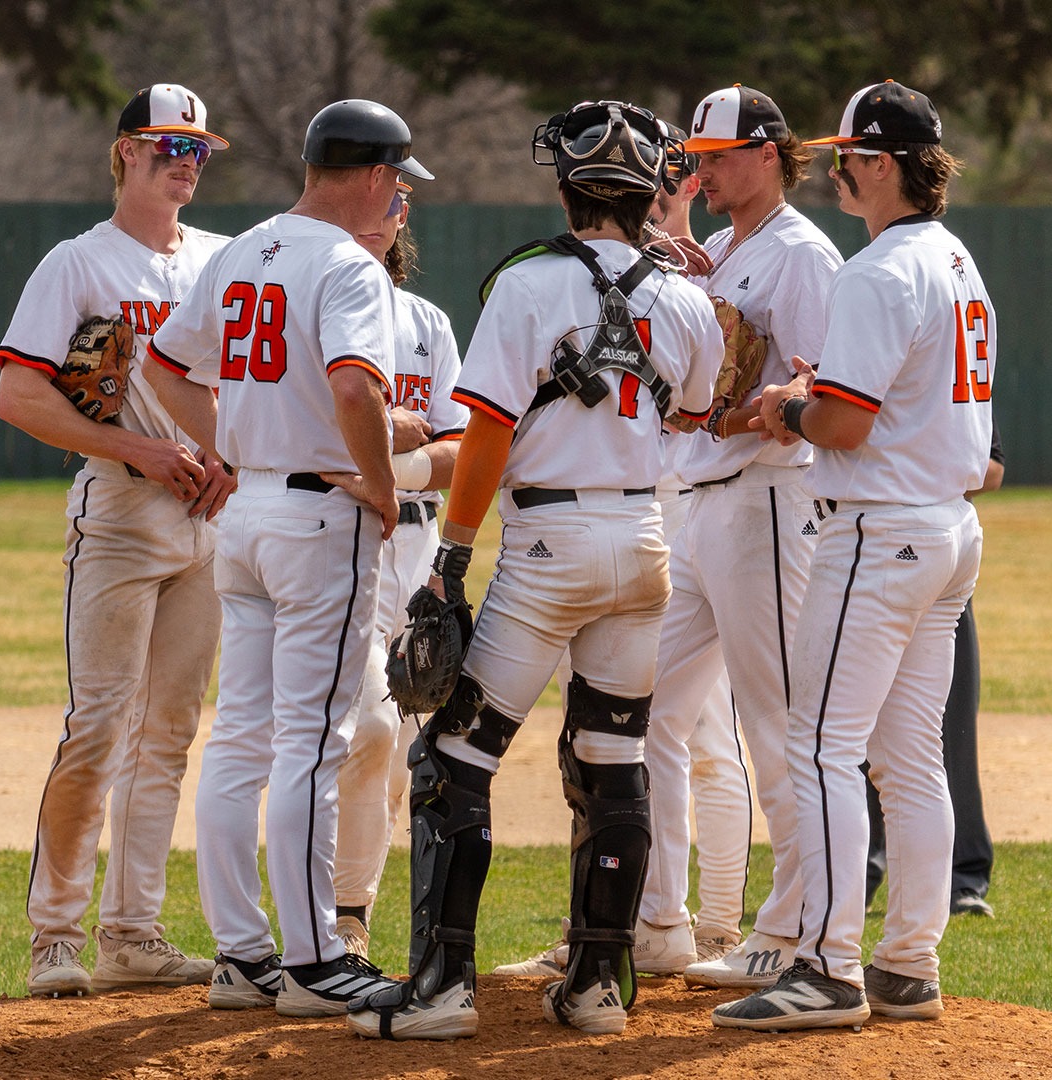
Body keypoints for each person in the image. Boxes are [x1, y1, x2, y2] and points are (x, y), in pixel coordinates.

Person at [347, 99, 722, 1041]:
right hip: (643, 545)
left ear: (566, 185)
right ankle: (599, 987)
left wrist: (451, 557)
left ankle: (438, 993)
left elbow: (487, 433)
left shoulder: (528, 281)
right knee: (612, 759)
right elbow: (691, 413)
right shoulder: (684, 298)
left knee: (450, 761)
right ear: (650, 192)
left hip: (550, 547)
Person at [713, 79, 996, 1033]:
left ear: (880, 164)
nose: (838, 169)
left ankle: (827, 969)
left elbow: (842, 421)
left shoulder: (879, 270)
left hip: (879, 529)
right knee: (910, 758)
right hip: (947, 529)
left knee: (823, 744)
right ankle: (908, 963)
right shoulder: (955, 257)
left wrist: (785, 407)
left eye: (849, 156)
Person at [145, 98, 431, 1018]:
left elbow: (161, 365)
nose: (401, 207)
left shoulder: (240, 248)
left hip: (248, 514)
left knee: (240, 742)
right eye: (400, 187)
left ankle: (242, 955)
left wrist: (227, 449)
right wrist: (383, 484)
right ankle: (314, 964)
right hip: (318, 516)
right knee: (312, 743)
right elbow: (354, 386)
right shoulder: (351, 265)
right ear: (379, 177)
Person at [0, 83, 235, 998]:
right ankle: (55, 935)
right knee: (98, 723)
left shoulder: (220, 261)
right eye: (169, 145)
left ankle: (133, 931)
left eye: (198, 149)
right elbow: (21, 396)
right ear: (125, 151)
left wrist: (230, 460)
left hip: (207, 518)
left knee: (169, 731)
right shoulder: (78, 264)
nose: (185, 162)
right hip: (123, 516)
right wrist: (135, 446)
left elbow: (243, 390)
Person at [645, 84, 843, 990]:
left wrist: (752, 406)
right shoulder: (723, 247)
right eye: (697, 156)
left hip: (767, 503)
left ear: (770, 153)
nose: (702, 171)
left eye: (718, 155)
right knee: (648, 710)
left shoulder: (802, 256)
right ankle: (654, 922)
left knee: (778, 722)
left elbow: (818, 397)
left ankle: (796, 930)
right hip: (703, 504)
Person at [332, 182, 466, 959]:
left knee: (394, 762)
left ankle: (352, 920)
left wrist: (398, 460)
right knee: (370, 729)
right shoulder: (312, 309)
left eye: (402, 201)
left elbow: (463, 452)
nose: (393, 211)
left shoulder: (425, 325)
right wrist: (385, 429)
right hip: (338, 539)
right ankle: (340, 916)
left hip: (414, 548)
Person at [864, 425, 1005, 918]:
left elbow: (992, 468)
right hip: (868, 543)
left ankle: (963, 875)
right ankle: (860, 868)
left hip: (938, 543)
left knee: (949, 727)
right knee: (854, 721)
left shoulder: (953, 356)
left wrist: (922, 458)